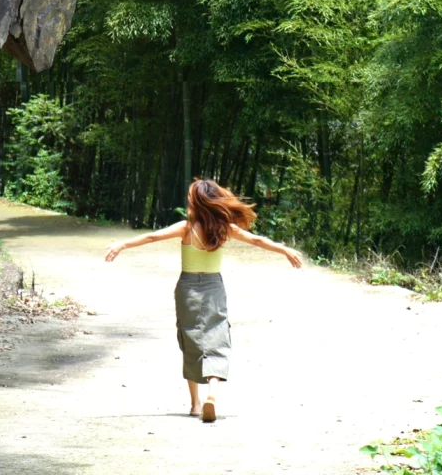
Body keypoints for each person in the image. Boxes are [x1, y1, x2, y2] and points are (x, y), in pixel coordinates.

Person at [104, 178, 302, 422]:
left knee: (191, 339)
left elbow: (152, 237)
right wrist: (284, 249)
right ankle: (213, 395)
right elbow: (258, 241)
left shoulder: (186, 227)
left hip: (187, 287)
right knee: (217, 336)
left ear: (195, 202)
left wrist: (122, 244)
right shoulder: (224, 228)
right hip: (213, 287)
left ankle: (196, 405)